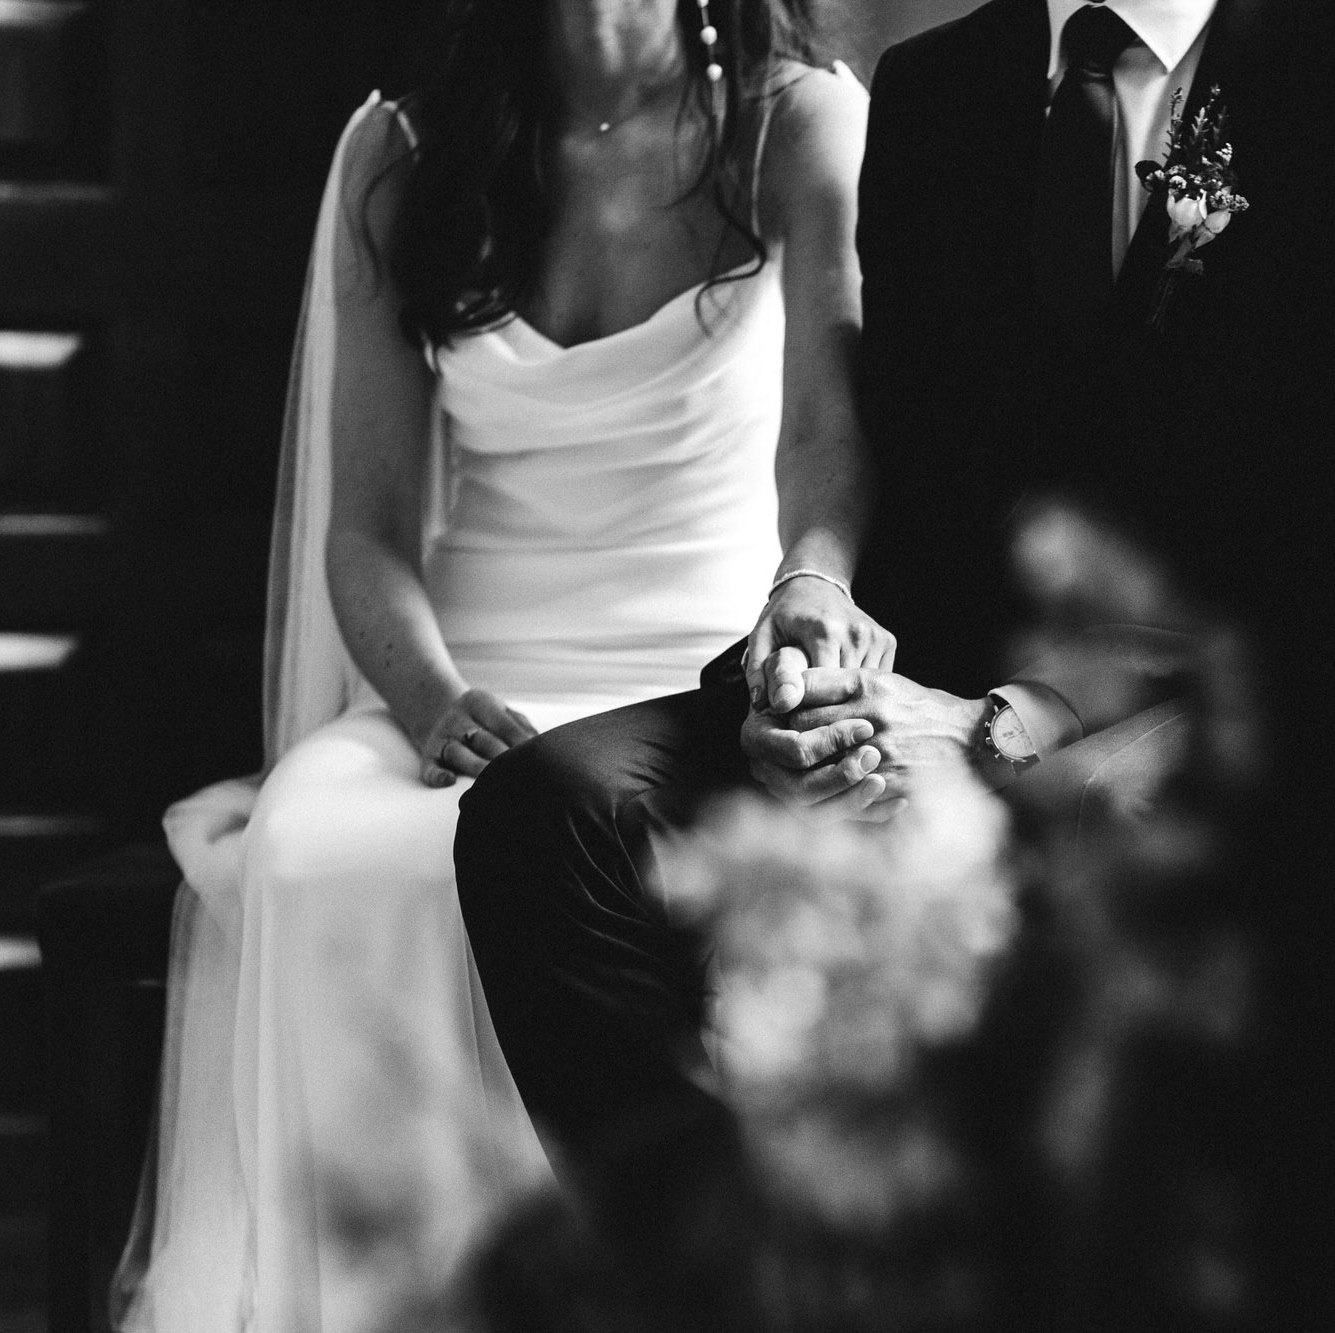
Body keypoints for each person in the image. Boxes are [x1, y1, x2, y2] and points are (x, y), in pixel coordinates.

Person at [456, 0, 1287, 1257]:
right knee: (550, 818)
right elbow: (885, 433)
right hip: (919, 684)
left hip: (1183, 726)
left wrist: (1004, 730)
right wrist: (818, 621)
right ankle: (731, 1273)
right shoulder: (934, 86)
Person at [112, 1, 884, 1328]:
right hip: (461, 669)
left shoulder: (792, 125)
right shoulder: (403, 154)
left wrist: (806, 587)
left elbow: (825, 440)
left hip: (686, 668)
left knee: (546, 852)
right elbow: (363, 527)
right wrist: (428, 699)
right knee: (323, 851)